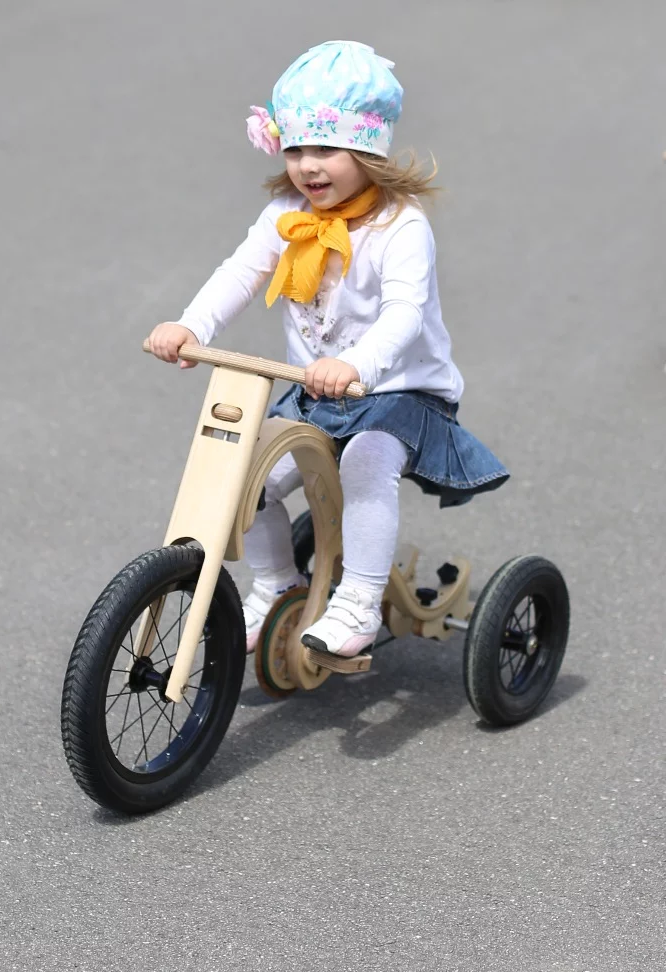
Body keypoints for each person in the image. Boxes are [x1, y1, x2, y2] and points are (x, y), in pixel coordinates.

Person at [145, 40, 509, 658]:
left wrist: (354, 364)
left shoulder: (400, 225)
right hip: (317, 391)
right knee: (241, 473)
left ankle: (359, 600)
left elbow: (404, 313)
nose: (307, 167)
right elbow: (241, 273)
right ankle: (276, 584)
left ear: (368, 151)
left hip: (399, 393)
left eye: (325, 149)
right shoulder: (287, 212)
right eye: (295, 150)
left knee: (365, 462)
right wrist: (191, 326)